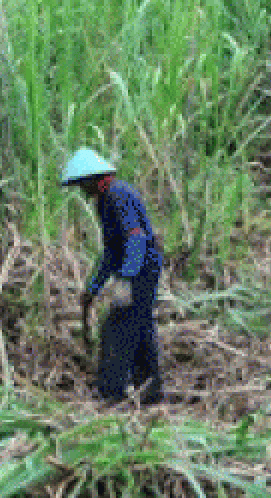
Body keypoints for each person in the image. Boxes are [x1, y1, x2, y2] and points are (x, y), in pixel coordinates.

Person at [61, 148, 163, 404]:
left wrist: (127, 279)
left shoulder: (118, 196)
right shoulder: (105, 200)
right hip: (137, 269)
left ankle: (112, 394)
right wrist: (93, 287)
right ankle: (150, 392)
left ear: (93, 179)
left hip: (142, 270)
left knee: (116, 328)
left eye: (82, 184)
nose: (81, 191)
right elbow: (111, 251)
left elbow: (136, 239)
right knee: (140, 326)